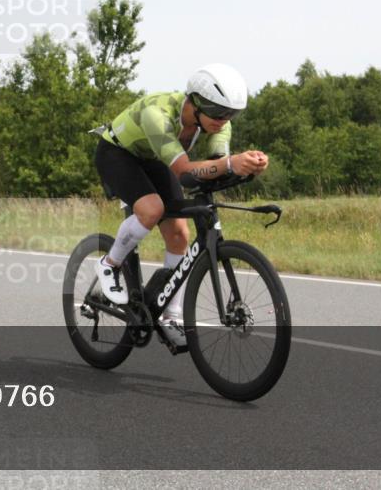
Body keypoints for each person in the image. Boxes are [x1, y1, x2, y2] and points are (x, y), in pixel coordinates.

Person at [92, 64, 269, 343]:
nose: (223, 120)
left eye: (231, 113)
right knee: (152, 210)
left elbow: (214, 166)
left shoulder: (218, 123)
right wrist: (229, 163)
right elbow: (185, 172)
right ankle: (109, 264)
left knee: (179, 234)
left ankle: (171, 316)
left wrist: (244, 166)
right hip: (118, 154)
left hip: (155, 159)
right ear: (196, 102)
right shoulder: (157, 114)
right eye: (217, 111)